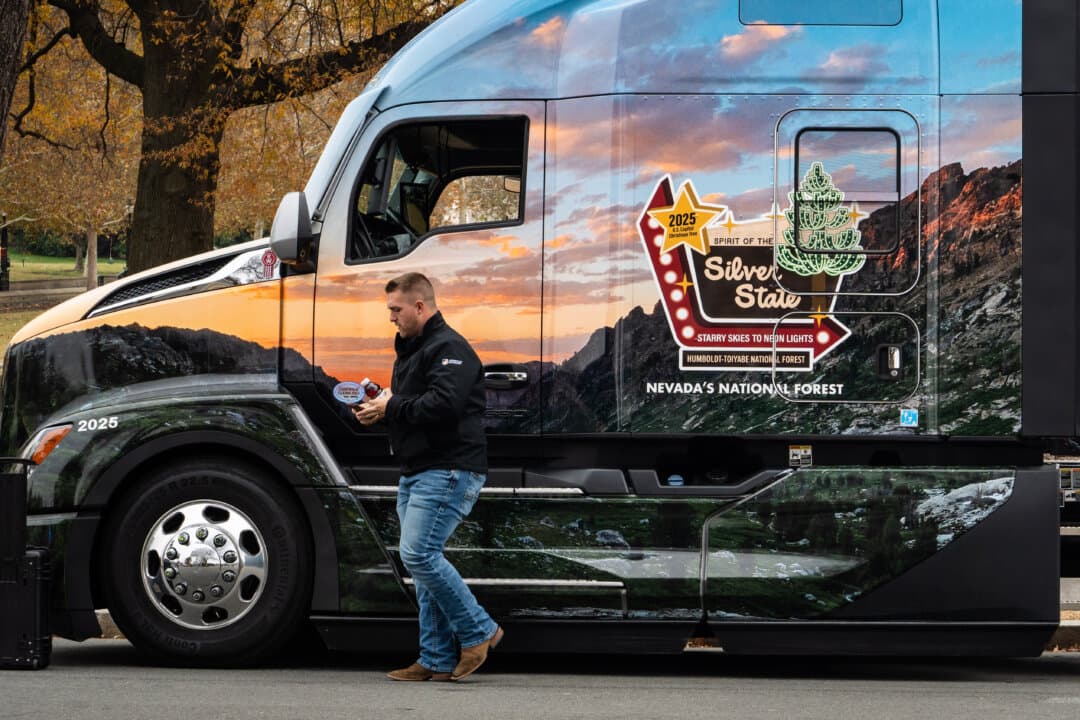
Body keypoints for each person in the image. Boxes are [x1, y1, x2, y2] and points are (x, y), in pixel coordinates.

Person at [354, 272, 502, 682]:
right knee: (422, 564)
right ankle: (434, 659)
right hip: (419, 469)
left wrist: (392, 406)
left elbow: (443, 404)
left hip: (450, 469)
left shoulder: (449, 347)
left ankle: (480, 631)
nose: (391, 319)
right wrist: (379, 409)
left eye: (396, 310)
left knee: (418, 555)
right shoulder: (416, 350)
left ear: (420, 306)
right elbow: (412, 406)